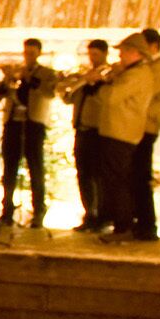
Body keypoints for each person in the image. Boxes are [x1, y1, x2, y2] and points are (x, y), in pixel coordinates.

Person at [91, 35, 157, 241]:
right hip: (117, 132)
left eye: (124, 51)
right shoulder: (132, 73)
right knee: (114, 180)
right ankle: (120, 225)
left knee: (117, 182)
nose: (120, 55)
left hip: (121, 134)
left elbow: (111, 98)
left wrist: (99, 83)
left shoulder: (137, 74)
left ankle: (123, 227)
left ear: (135, 53)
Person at [0, 38, 58, 230]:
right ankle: (7, 213)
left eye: (31, 52)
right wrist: (6, 79)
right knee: (9, 170)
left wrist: (30, 80)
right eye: (25, 52)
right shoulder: (16, 72)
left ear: (38, 53)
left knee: (35, 168)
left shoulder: (46, 73)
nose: (27, 56)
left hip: (33, 124)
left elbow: (50, 93)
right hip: (13, 123)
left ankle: (38, 212)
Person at [126, 29, 160, 241]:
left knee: (140, 175)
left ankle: (147, 225)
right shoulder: (149, 68)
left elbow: (149, 93)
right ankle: (139, 221)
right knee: (133, 175)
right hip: (136, 126)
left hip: (146, 127)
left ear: (153, 46)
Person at [62, 40, 115, 233]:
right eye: (91, 55)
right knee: (83, 174)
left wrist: (98, 81)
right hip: (81, 130)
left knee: (99, 176)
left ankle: (103, 215)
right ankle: (89, 214)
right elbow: (66, 96)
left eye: (96, 55)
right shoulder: (83, 76)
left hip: (99, 132)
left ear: (105, 54)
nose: (93, 58)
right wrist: (83, 80)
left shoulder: (110, 75)